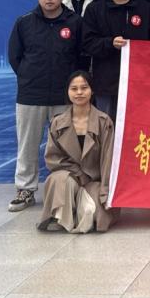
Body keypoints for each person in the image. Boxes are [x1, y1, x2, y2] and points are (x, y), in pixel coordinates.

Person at [7, 0, 82, 212]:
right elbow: (15, 57)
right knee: (27, 145)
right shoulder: (24, 22)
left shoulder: (74, 22)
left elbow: (81, 57)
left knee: (66, 146)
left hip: (63, 96)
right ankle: (25, 190)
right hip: (31, 96)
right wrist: (28, 77)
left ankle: (64, 189)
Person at [82, 0, 150, 121]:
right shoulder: (95, 8)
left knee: (139, 129)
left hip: (141, 83)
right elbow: (87, 44)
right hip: (106, 83)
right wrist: (109, 43)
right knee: (106, 129)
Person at [38, 71, 118, 233]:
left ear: (92, 91)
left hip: (95, 180)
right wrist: (78, 173)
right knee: (57, 179)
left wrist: (106, 192)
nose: (79, 92)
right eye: (74, 89)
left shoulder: (104, 122)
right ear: (68, 92)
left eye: (84, 88)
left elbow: (108, 159)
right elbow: (52, 158)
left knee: (94, 216)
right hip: (71, 176)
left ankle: (76, 213)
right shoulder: (58, 122)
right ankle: (61, 217)